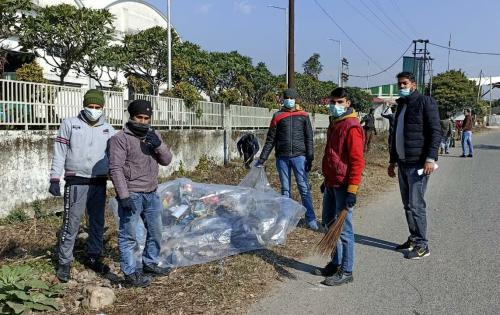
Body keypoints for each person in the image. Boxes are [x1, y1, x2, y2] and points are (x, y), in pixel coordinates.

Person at [49, 89, 115, 283]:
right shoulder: (70, 124)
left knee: (97, 223)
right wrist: (54, 178)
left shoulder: (109, 130)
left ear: (102, 108)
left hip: (99, 181)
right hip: (76, 180)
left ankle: (93, 256)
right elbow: (60, 153)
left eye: (98, 107)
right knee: (71, 223)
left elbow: (114, 157)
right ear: (84, 105)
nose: (93, 110)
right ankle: (64, 262)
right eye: (90, 106)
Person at [108, 99, 173, 288]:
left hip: (152, 193)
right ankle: (129, 273)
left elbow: (167, 160)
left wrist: (158, 145)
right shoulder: (119, 139)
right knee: (128, 236)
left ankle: (150, 264)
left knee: (156, 232)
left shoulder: (153, 136)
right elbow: (115, 168)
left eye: (147, 118)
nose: (143, 122)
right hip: (132, 194)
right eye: (139, 117)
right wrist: (124, 195)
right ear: (131, 117)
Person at [313, 87, 365, 286]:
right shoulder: (334, 124)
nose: (335, 106)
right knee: (328, 223)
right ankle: (335, 263)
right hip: (332, 183)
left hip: (344, 186)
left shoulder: (351, 127)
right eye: (332, 102)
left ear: (348, 103)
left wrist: (352, 190)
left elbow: (357, 162)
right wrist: (326, 180)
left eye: (339, 102)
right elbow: (331, 156)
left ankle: (347, 270)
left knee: (344, 231)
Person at [388, 72, 441, 260]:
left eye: (404, 83)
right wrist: (392, 160)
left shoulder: (425, 102)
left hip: (418, 163)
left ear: (413, 84)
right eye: (399, 84)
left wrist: (430, 158)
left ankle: (422, 245)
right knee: (407, 205)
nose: (401, 86)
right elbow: (395, 136)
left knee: (416, 204)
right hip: (403, 163)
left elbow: (435, 132)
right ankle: (413, 238)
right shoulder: (401, 105)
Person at [255, 89, 318, 230]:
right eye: (286, 97)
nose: (289, 100)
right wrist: (262, 158)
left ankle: (311, 218)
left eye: (291, 98)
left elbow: (309, 138)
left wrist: (310, 157)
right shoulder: (277, 116)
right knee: (285, 189)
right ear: (283, 99)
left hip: (299, 157)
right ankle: (286, 218)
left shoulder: (303, 116)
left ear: (296, 100)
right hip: (282, 158)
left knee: (303, 187)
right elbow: (271, 139)